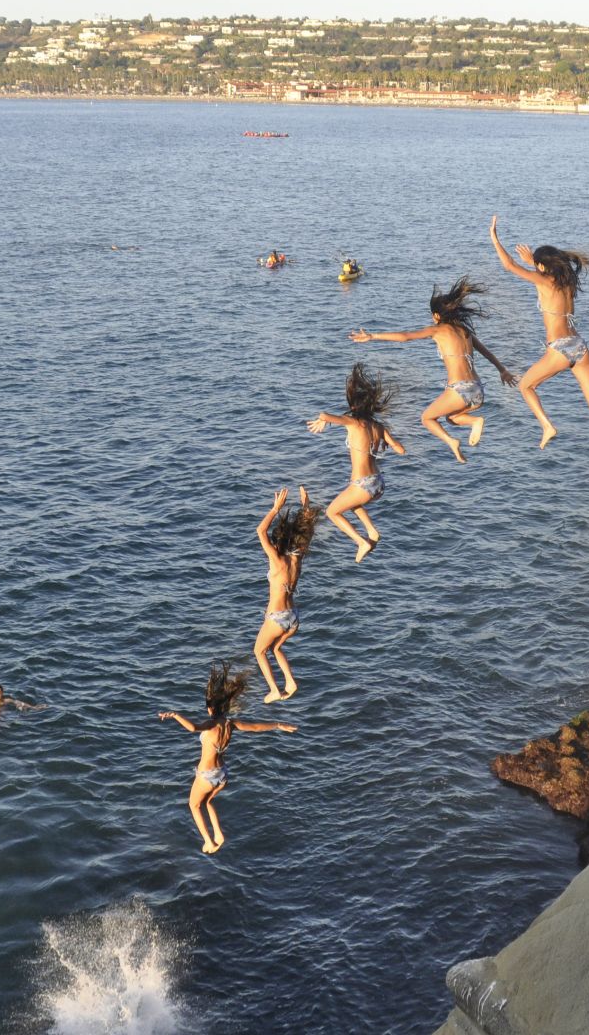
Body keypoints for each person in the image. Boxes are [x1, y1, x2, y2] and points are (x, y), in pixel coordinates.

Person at [489, 215, 589, 449]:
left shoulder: (544, 282)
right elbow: (542, 275)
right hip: (579, 346)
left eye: (538, 266)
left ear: (543, 267)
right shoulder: (567, 282)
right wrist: (533, 263)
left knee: (526, 387)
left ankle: (547, 426)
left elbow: (509, 266)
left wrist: (495, 239)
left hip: (560, 349)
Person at [349, 275, 518, 461]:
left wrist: (373, 336)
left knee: (427, 418)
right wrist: (502, 370)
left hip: (459, 390)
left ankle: (454, 440)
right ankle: (473, 422)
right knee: (451, 418)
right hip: (478, 389)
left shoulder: (437, 330)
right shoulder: (464, 330)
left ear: (437, 315)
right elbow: (486, 351)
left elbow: (406, 336)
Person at [157, 661, 297, 853]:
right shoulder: (230, 724)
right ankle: (218, 834)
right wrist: (278, 725)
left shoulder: (210, 724)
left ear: (211, 709)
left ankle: (208, 841)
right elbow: (255, 727)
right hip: (222, 775)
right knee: (207, 802)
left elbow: (192, 728)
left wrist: (175, 715)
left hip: (206, 775)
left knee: (194, 805)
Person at [307, 363, 406, 562]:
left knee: (333, 512)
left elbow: (324, 414)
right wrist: (385, 444)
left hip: (362, 484)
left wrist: (323, 421)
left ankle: (361, 541)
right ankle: (372, 531)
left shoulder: (353, 423)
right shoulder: (378, 426)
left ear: (353, 407)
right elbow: (400, 450)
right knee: (352, 504)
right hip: (378, 483)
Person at [253, 486, 316, 703]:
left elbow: (260, 531)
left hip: (278, 616)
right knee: (276, 648)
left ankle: (274, 690)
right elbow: (307, 533)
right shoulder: (296, 559)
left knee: (259, 651)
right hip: (294, 617)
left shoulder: (277, 560)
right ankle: (290, 681)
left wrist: (275, 509)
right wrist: (306, 507)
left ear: (277, 543)